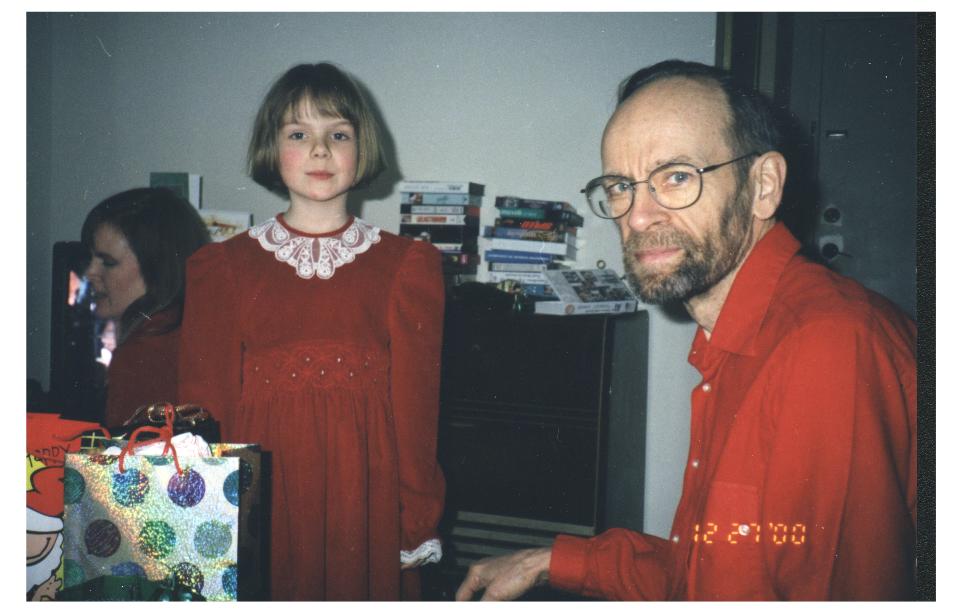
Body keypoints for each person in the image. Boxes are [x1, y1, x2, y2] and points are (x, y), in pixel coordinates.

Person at [456, 60, 917, 601]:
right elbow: (718, 568)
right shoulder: (732, 339)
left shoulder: (829, 347)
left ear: (762, 187)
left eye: (676, 176)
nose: (638, 216)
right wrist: (552, 559)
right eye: (620, 186)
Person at [177, 62, 446, 601]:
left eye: (338, 135)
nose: (320, 150)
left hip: (362, 503)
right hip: (260, 503)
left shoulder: (407, 266)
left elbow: (417, 416)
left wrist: (415, 521)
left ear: (361, 148)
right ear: (272, 149)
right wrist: (203, 523)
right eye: (299, 134)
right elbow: (201, 413)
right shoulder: (223, 267)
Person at [81, 187, 210, 428]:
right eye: (91, 258)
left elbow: (124, 462)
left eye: (108, 262)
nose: (90, 272)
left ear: (157, 270)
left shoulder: (145, 353)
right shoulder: (189, 332)